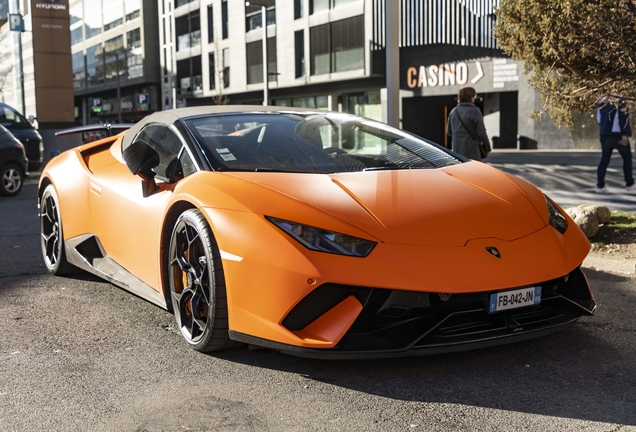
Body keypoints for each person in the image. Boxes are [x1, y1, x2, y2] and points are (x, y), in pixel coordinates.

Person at [596, 99, 634, 194]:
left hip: (604, 134)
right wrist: (624, 133)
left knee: (605, 159)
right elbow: (622, 117)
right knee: (627, 157)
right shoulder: (620, 99)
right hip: (617, 134)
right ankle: (629, 183)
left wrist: (604, 127)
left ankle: (600, 186)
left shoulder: (602, 100)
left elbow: (598, 118)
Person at [446, 86, 490, 160]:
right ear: (471, 97)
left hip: (457, 152)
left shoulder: (453, 111)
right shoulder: (474, 111)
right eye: (474, 96)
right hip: (472, 151)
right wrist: (487, 146)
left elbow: (449, 132)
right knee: (473, 170)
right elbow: (481, 132)